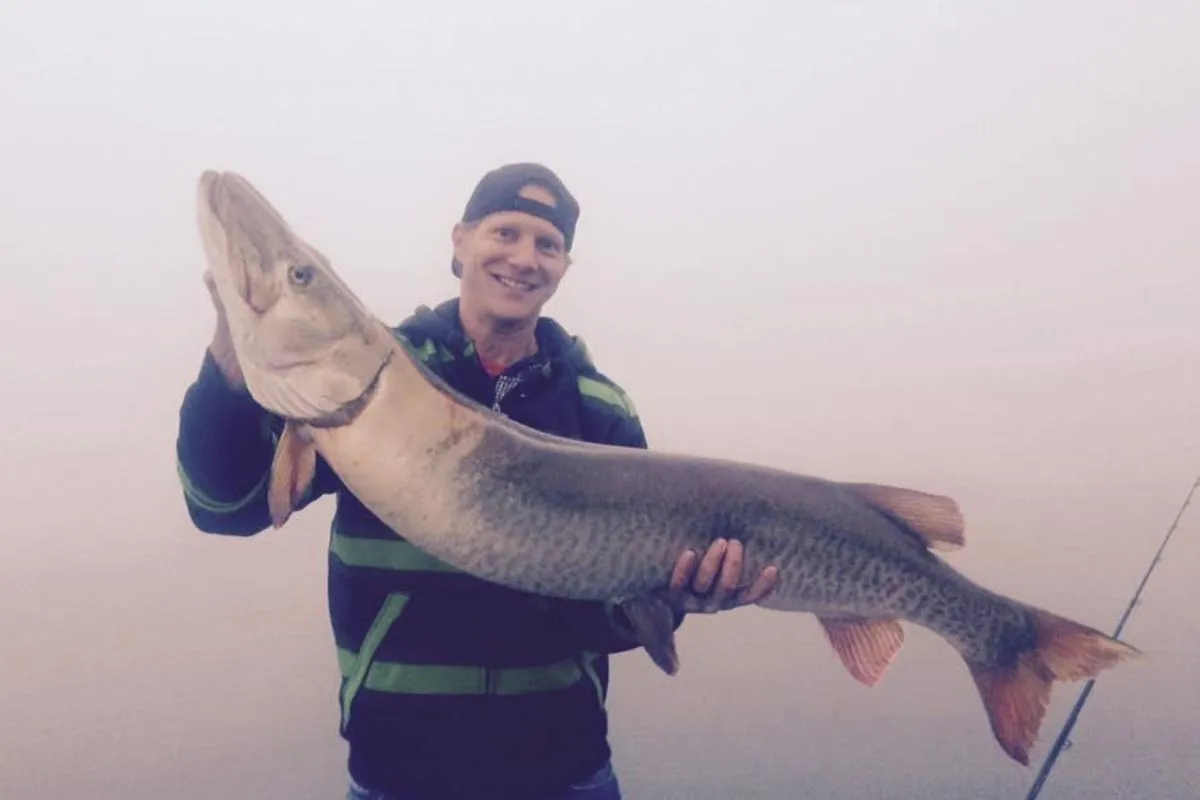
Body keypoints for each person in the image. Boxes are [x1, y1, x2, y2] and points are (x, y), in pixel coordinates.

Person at [174, 162, 779, 800]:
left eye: (547, 244)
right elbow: (224, 505)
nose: (524, 257)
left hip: (563, 772)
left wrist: (676, 597)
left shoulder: (600, 406)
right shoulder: (364, 379)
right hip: (399, 774)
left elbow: (606, 615)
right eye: (504, 232)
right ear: (460, 240)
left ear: (562, 268)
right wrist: (231, 354)